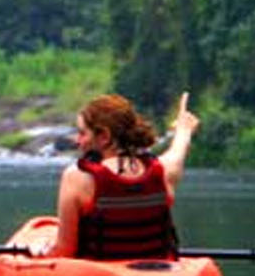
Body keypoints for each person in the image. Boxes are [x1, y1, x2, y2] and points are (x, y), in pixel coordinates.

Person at [31, 92, 199, 259]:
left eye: (83, 133)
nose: (78, 141)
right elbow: (178, 151)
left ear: (104, 136)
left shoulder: (77, 178)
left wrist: (39, 251)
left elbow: (64, 252)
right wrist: (184, 129)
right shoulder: (164, 172)